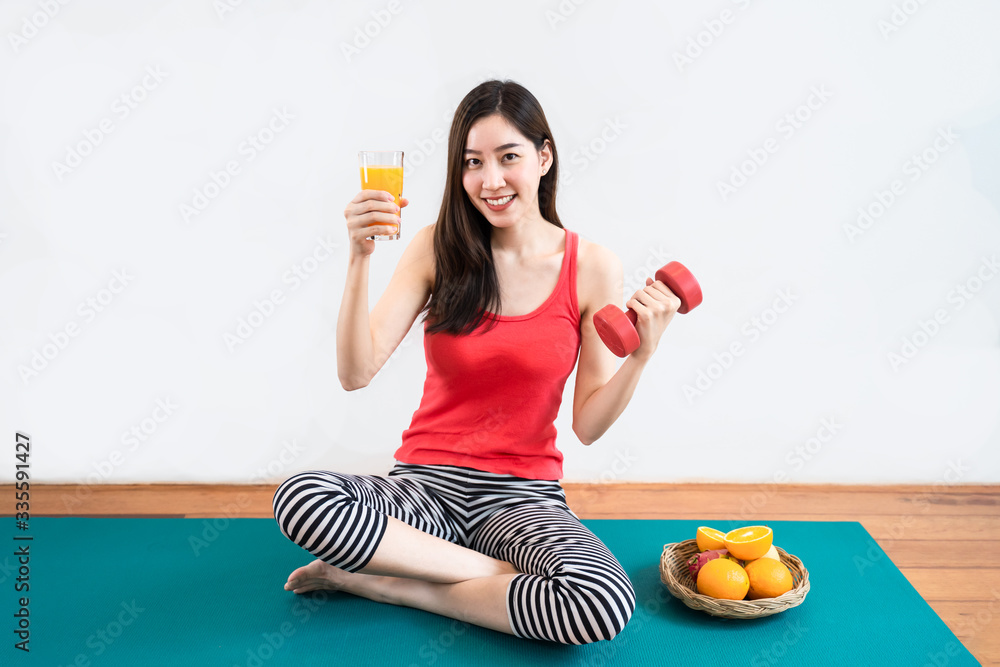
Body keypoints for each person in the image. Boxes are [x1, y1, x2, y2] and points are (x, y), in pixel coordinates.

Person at [272, 79, 681, 645]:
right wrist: (358, 257)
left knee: (602, 603)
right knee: (300, 497)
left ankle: (387, 584)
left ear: (544, 156)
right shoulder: (435, 246)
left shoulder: (591, 266)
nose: (490, 181)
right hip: (424, 489)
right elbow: (355, 373)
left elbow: (586, 425)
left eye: (508, 157)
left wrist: (642, 356)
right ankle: (479, 577)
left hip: (523, 497)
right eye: (472, 163)